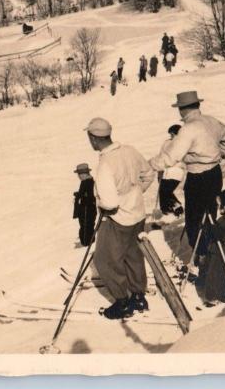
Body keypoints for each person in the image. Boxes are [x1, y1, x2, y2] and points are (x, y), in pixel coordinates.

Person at [149, 91, 225, 257]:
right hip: (215, 174)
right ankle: (211, 251)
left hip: (198, 177)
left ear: (182, 109)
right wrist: (220, 153)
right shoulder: (211, 121)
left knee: (194, 221)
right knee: (210, 215)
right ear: (197, 105)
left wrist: (147, 166)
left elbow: (169, 157)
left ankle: (202, 257)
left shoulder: (188, 129)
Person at [85, 117, 154, 319]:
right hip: (138, 214)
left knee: (105, 260)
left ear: (93, 138)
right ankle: (139, 297)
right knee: (133, 255)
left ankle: (122, 301)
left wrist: (103, 203)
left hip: (117, 219)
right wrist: (135, 194)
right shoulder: (129, 151)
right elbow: (148, 174)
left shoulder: (106, 164)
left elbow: (110, 203)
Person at [157, 125, 185, 216]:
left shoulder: (183, 143)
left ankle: (176, 208)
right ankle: (167, 209)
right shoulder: (167, 143)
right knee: (163, 191)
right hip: (167, 172)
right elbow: (161, 157)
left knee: (165, 191)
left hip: (176, 172)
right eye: (171, 134)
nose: (171, 136)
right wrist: (160, 170)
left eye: (173, 134)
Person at [73, 163, 97, 246]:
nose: (79, 176)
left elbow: (88, 195)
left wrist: (79, 195)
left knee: (86, 225)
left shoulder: (86, 182)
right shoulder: (89, 181)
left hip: (87, 208)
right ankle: (89, 240)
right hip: (89, 207)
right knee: (88, 224)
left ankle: (86, 242)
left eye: (80, 174)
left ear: (85, 174)